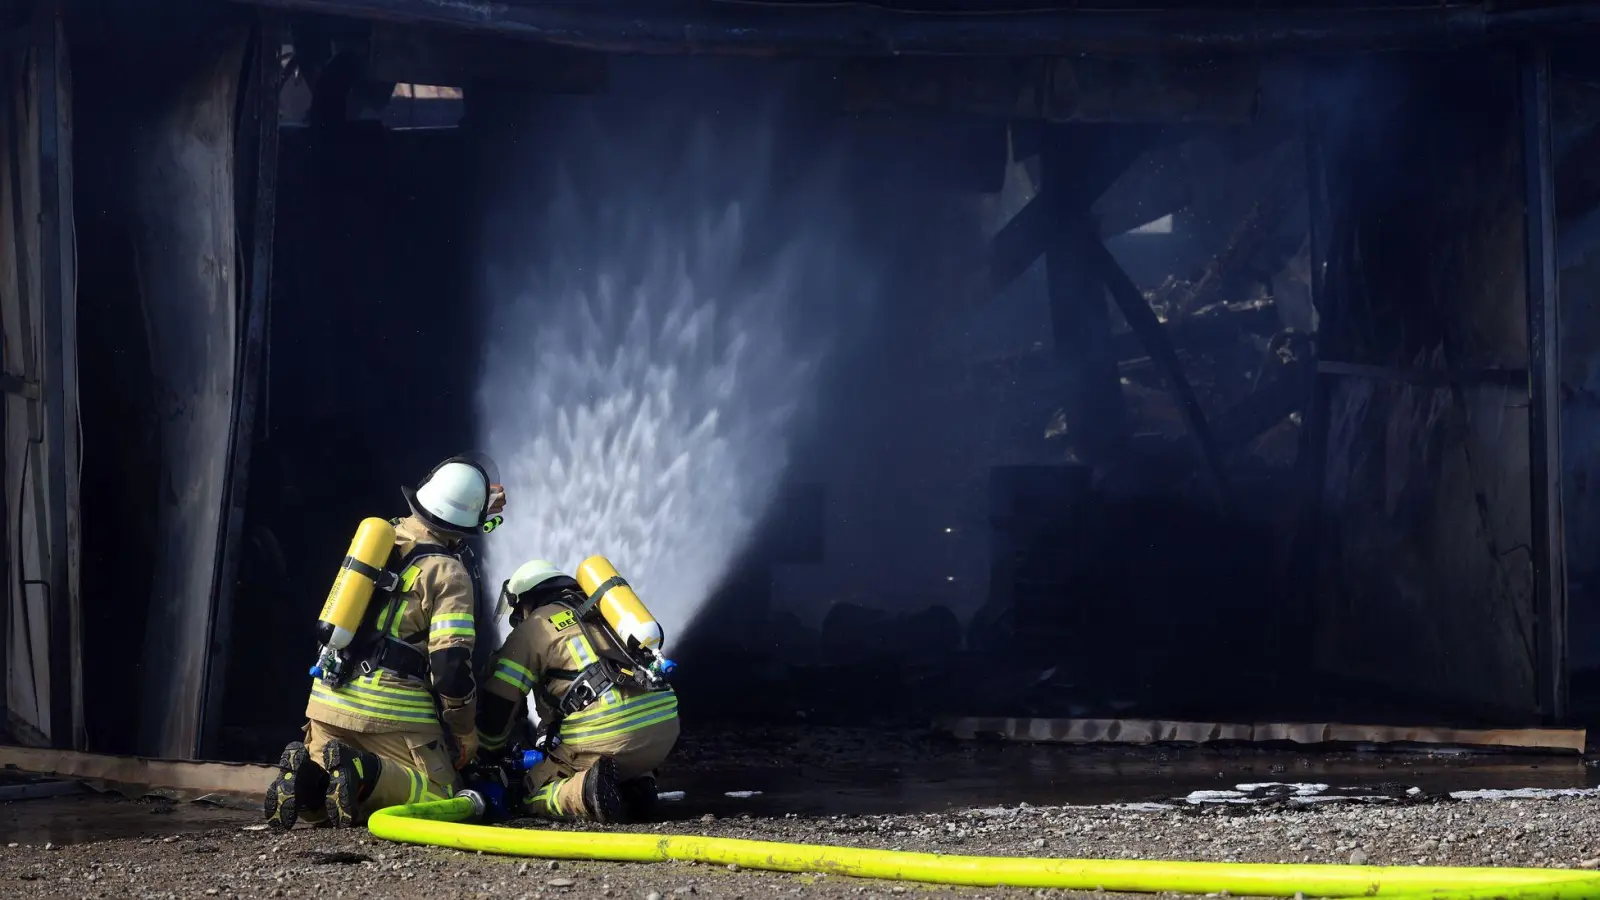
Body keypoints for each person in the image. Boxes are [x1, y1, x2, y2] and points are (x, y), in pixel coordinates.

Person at [264, 455, 507, 828]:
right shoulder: (448, 573)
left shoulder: (382, 537)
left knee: (327, 800)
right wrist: (464, 730)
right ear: (467, 523)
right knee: (442, 795)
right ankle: (363, 770)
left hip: (328, 700)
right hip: (390, 712)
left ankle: (304, 781)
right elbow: (450, 667)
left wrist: (475, 504)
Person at [477, 559, 680, 823]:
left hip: (608, 736)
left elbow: (500, 699)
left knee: (528, 792)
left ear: (527, 600)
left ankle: (587, 793)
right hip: (664, 729)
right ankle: (638, 788)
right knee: (617, 758)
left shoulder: (534, 627)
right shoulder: (605, 614)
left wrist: (487, 749)